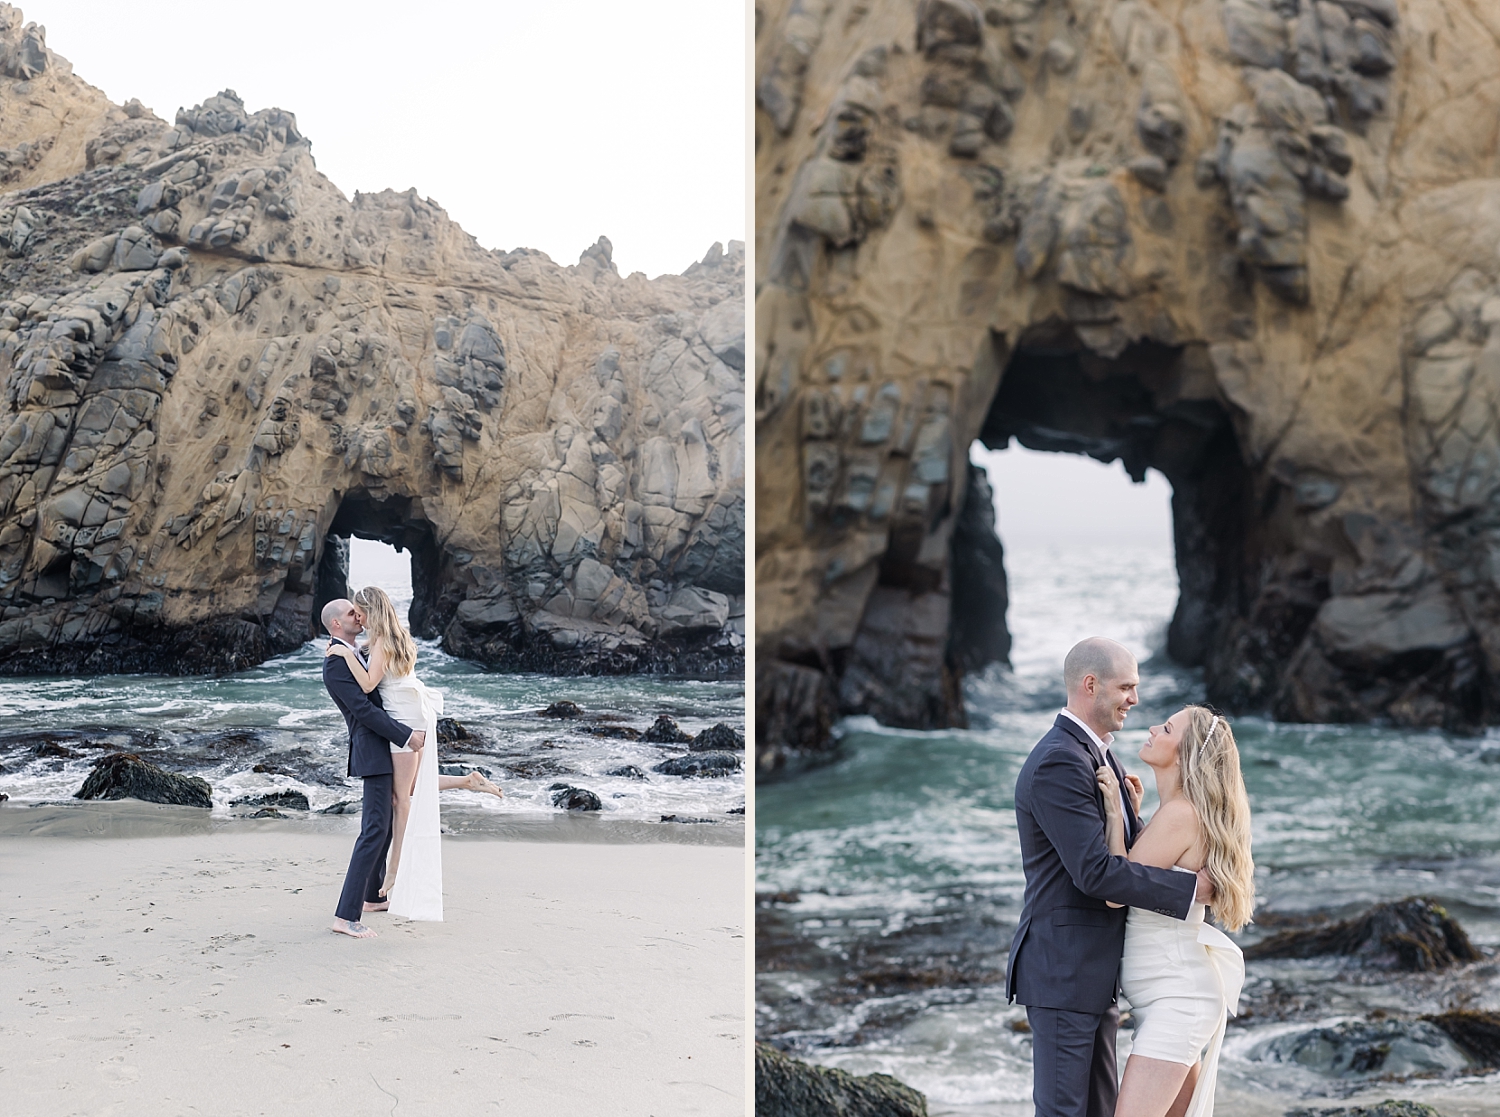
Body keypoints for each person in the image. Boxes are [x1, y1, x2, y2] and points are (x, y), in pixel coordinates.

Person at [1006, 637, 1213, 1117]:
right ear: (1090, 684)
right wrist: (1192, 890)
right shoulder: (1062, 760)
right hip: (1065, 972)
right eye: (1127, 687)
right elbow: (1095, 874)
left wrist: (1133, 819)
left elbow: (1128, 857)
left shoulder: (1100, 755)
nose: (1135, 700)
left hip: (1091, 976)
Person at [1095, 707, 1251, 1117]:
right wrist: (1134, 816)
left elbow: (1117, 889)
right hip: (1174, 995)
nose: (1151, 728)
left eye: (1166, 728)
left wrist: (1115, 814)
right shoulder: (1178, 814)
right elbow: (1143, 870)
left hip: (1176, 999)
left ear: (1186, 755)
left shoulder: (1182, 815)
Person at [324, 586, 502, 922]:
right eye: (351, 614)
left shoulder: (370, 646)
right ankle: (466, 781)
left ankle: (393, 873)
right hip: (413, 716)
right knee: (409, 789)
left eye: (358, 612)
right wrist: (352, 650)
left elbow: (364, 690)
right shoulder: (396, 637)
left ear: (369, 612)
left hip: (404, 725)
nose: (357, 617)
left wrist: (345, 653)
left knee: (401, 801)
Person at [321, 597, 424, 939]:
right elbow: (363, 712)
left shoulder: (355, 652)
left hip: (383, 746)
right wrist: (405, 734)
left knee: (386, 822)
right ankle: (345, 916)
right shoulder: (335, 663)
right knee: (374, 829)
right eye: (352, 613)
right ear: (337, 623)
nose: (359, 615)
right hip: (373, 748)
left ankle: (373, 896)